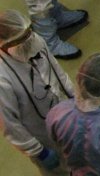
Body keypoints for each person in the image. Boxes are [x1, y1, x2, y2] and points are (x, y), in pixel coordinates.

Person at [0, 10, 74, 175]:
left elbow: (58, 73)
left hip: (66, 116)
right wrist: (39, 152)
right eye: (20, 39)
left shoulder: (34, 40)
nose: (28, 40)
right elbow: (10, 125)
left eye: (29, 33)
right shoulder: (2, 78)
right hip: (43, 137)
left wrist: (76, 99)